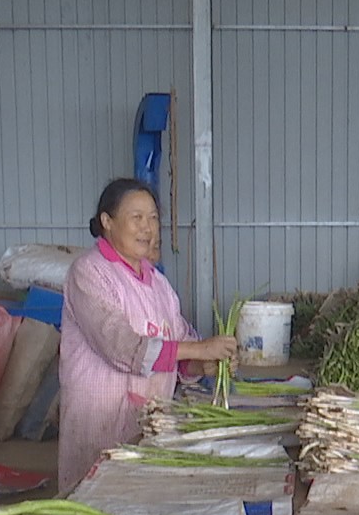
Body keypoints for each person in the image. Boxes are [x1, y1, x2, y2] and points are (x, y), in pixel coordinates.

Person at [59, 178, 235, 489]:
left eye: (153, 218)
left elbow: (181, 356)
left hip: (147, 424)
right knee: (92, 506)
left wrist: (208, 363)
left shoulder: (158, 283)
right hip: (98, 425)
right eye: (136, 217)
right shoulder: (89, 272)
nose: (148, 227)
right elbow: (122, 347)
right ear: (107, 222)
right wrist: (199, 350)